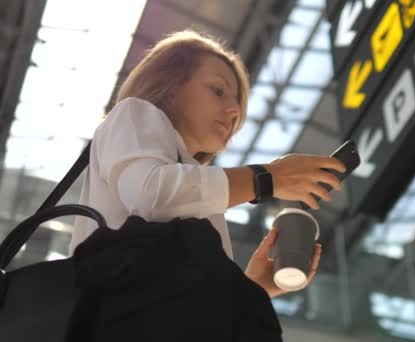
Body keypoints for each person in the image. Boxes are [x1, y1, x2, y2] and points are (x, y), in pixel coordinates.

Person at [69, 29, 346, 299]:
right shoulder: (133, 113)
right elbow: (151, 196)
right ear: (169, 82)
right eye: (218, 90)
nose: (234, 110)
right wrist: (266, 178)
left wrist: (252, 290)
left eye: (236, 102)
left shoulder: (199, 192)